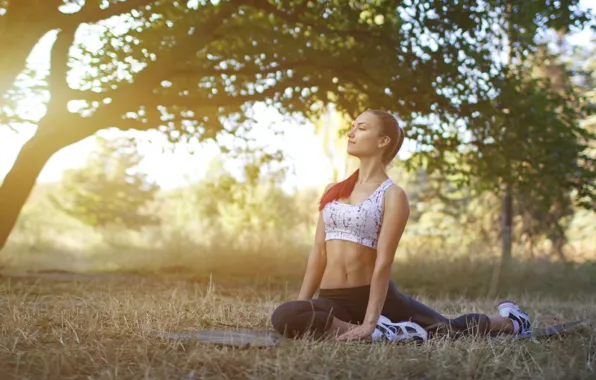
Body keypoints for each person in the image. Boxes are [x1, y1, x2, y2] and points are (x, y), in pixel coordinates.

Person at [270, 110, 531, 343]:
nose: (351, 133)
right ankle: (378, 332)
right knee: (285, 314)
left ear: (383, 141)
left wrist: (370, 321)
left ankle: (513, 321)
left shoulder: (393, 195)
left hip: (372, 298)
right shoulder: (334, 191)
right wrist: (302, 303)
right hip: (332, 299)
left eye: (361, 128)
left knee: (447, 330)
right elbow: (319, 253)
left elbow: (384, 262)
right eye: (352, 126)